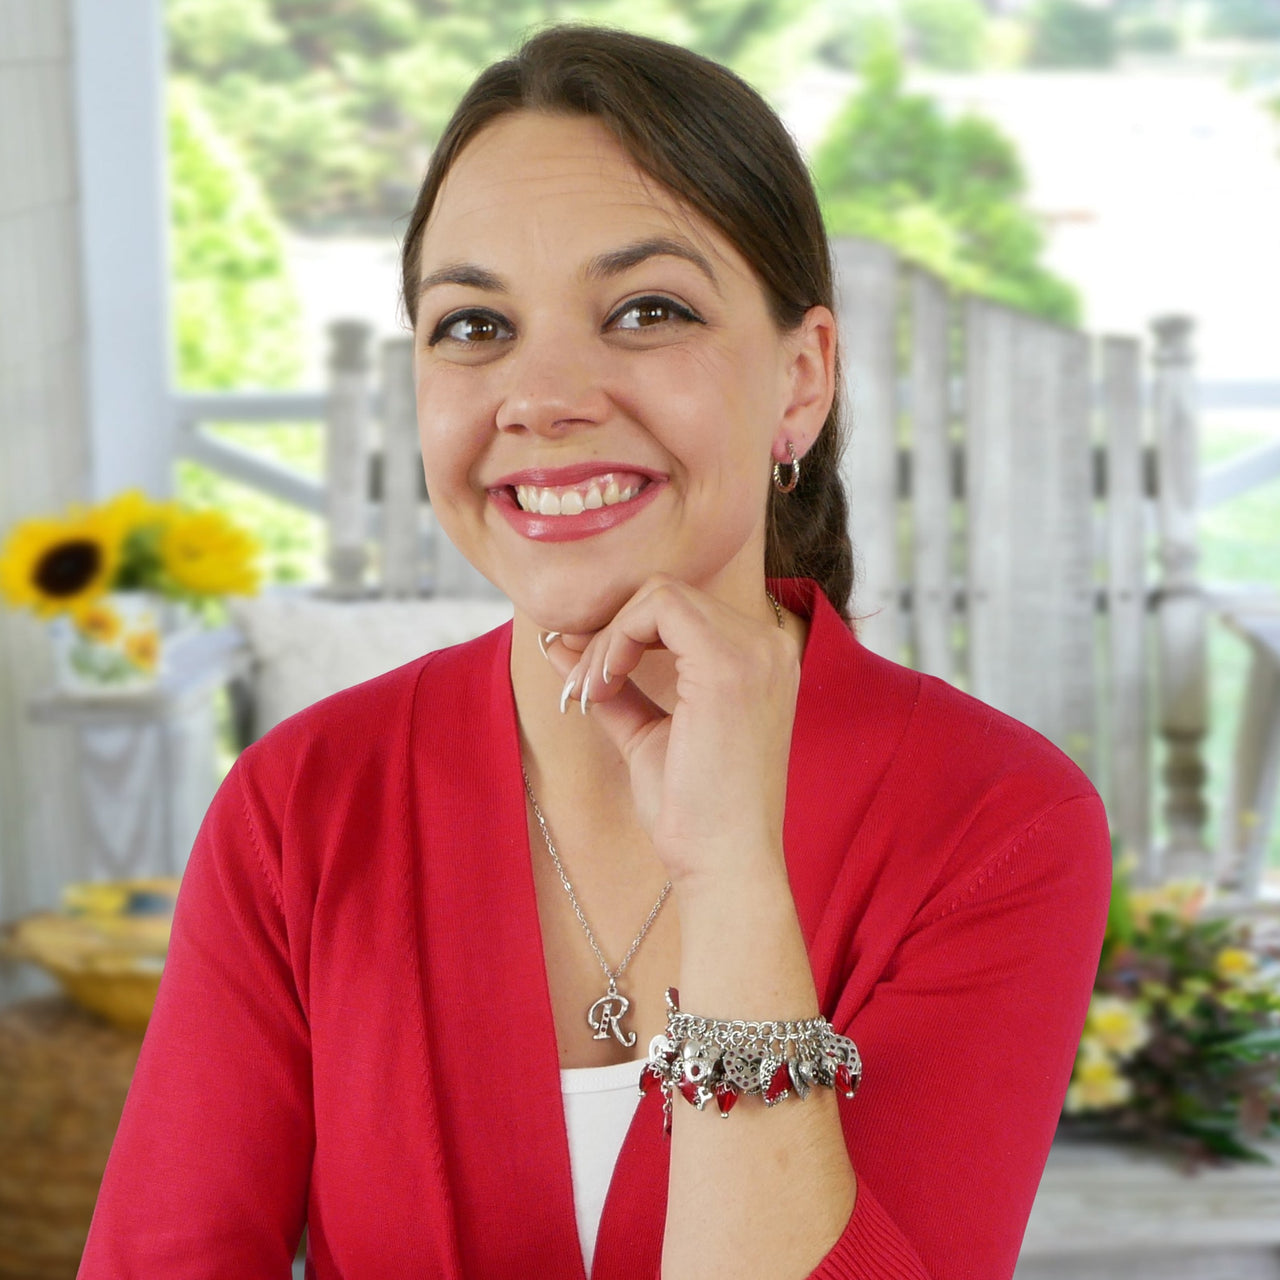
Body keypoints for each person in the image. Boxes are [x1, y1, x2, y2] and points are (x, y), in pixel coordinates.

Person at [79, 25, 1111, 1280]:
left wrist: (732, 877)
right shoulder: (299, 804)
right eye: (473, 325)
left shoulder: (993, 822)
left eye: (645, 310)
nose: (541, 396)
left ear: (799, 380)